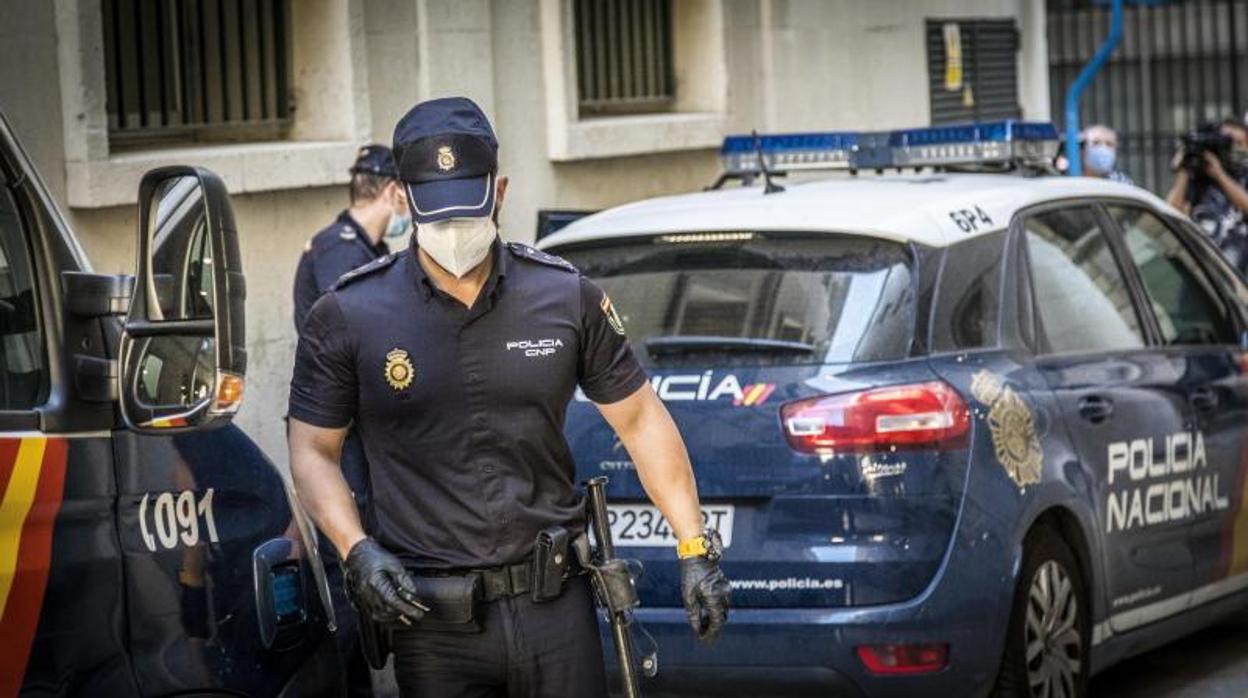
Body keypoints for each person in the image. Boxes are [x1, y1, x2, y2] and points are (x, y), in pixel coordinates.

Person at [287, 97, 731, 698]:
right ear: (405, 199)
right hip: (432, 619)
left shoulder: (564, 296)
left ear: (499, 191)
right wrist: (355, 549)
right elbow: (313, 449)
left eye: (466, 210)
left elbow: (642, 420)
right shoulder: (348, 313)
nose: (453, 231)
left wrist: (694, 545)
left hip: (556, 607)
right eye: (436, 214)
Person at [291, 144, 409, 698]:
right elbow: (366, 346)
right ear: (392, 192)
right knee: (350, 572)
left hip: (361, 440)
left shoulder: (362, 247)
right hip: (343, 444)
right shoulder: (340, 254)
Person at [292, 145, 410, 334]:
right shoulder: (339, 250)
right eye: (405, 192)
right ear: (391, 191)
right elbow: (349, 330)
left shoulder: (370, 247)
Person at [1166, 117, 1248, 273]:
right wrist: (1184, 168)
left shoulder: (1243, 175)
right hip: (1201, 274)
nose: (1237, 148)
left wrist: (1220, 175)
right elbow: (1171, 212)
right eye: (1230, 142)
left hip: (1238, 273)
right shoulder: (1198, 177)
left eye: (1240, 143)